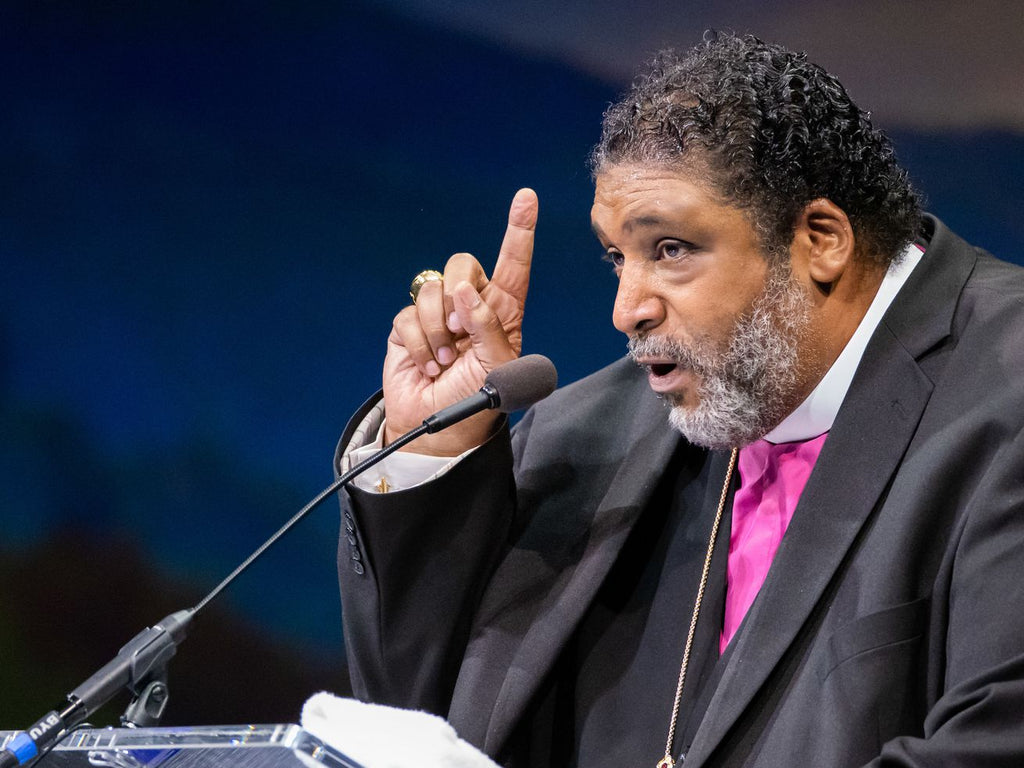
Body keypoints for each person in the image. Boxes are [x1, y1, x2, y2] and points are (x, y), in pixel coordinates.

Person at [334, 33, 1024, 768]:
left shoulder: (1003, 386)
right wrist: (437, 449)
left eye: (670, 249)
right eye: (615, 257)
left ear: (821, 239)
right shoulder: (588, 439)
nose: (626, 309)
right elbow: (422, 727)